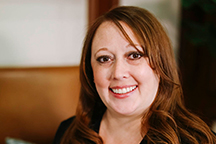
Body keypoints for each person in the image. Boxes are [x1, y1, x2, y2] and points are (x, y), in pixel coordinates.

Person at [53, 6, 216, 144]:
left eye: (134, 55)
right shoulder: (68, 133)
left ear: (161, 64)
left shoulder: (198, 140)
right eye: (104, 58)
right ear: (91, 71)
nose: (118, 73)